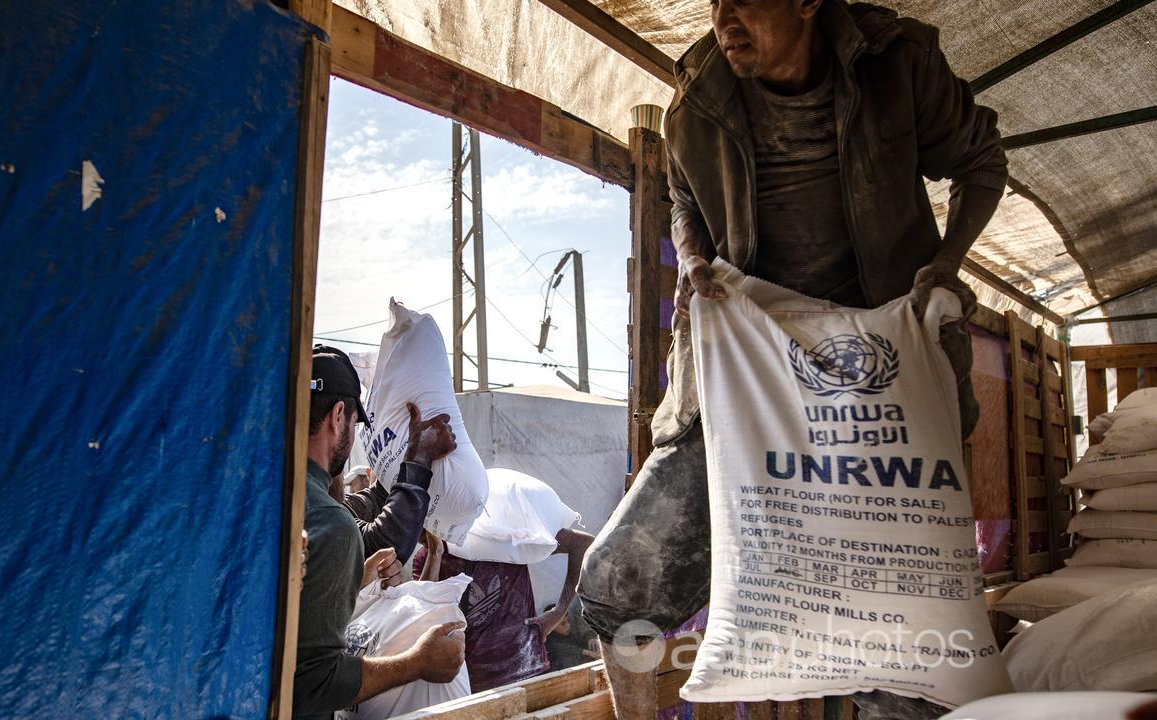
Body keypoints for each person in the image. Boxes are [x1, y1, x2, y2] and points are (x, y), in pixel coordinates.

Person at [576, 1, 1006, 718]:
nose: (724, 19)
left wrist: (948, 262)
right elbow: (683, 196)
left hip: (880, 386)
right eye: (715, 3)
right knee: (620, 580)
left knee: (905, 653)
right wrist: (690, 258)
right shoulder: (702, 99)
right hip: (750, 378)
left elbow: (981, 162)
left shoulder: (897, 62)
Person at [294, 346, 464, 718]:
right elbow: (312, 683)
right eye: (355, 426)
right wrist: (417, 663)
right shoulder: (325, 520)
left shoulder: (256, 490)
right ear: (339, 417)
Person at [416, 527, 595, 693]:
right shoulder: (426, 558)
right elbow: (423, 617)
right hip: (472, 685)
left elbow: (582, 545)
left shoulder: (501, 533)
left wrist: (558, 613)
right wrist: (435, 552)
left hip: (527, 670)